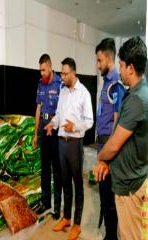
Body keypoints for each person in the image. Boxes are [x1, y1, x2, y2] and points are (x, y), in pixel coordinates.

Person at [94, 36, 148, 240]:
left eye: (122, 65)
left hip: (129, 185)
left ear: (131, 68)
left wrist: (101, 159)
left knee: (129, 236)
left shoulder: (137, 99)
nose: (120, 68)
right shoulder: (137, 91)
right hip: (130, 178)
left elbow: (115, 143)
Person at [45, 57, 93, 240]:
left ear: (73, 73)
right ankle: (66, 218)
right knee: (65, 183)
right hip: (61, 143)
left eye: (65, 74)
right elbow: (58, 114)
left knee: (78, 185)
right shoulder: (63, 92)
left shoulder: (84, 94)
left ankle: (77, 224)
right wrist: (52, 123)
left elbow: (89, 121)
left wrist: (76, 127)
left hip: (74, 144)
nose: (62, 77)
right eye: (61, 73)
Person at [94, 38, 125, 240]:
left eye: (99, 61)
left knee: (109, 197)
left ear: (107, 57)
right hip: (101, 143)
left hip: (108, 145)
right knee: (104, 195)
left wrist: (107, 157)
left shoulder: (115, 84)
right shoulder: (107, 82)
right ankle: (109, 233)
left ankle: (111, 236)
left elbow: (117, 120)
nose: (97, 65)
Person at [32, 54, 62, 220]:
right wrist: (35, 133)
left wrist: (55, 125)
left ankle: (57, 206)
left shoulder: (60, 83)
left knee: (57, 169)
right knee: (45, 168)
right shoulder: (40, 84)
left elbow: (63, 109)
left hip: (56, 130)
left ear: (50, 67)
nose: (42, 73)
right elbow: (38, 109)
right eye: (40, 70)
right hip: (44, 129)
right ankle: (46, 202)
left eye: (44, 70)